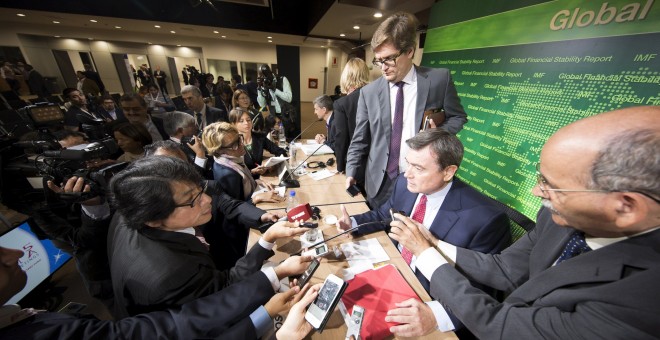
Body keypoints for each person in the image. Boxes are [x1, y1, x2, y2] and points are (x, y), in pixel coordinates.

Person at [386, 105, 660, 338]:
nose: (537, 193)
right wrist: (433, 244)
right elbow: (504, 269)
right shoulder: (557, 216)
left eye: (552, 186)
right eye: (541, 178)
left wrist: (426, 253)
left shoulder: (642, 301)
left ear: (626, 207)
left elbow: (499, 325)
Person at [337, 128, 510, 330]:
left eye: (418, 168)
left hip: (427, 298)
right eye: (408, 163)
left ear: (448, 172)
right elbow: (384, 215)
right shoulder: (404, 183)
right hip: (391, 269)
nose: (407, 173)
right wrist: (354, 223)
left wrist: (437, 317)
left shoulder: (486, 220)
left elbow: (483, 291)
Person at [107, 156, 311, 318]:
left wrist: (268, 235)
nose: (207, 200)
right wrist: (279, 271)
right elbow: (223, 292)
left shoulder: (130, 211)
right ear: (153, 218)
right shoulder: (169, 274)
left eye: (201, 189)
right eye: (192, 200)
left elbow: (222, 200)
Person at [0, 244, 318, 339]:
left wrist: (268, 309)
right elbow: (172, 327)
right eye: (193, 197)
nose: (14, 253)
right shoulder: (167, 271)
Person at [345, 12, 467, 208]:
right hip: (379, 182)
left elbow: (458, 116)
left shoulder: (438, 80)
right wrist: (351, 171)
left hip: (422, 180)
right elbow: (359, 139)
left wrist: (438, 133)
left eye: (388, 59)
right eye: (378, 60)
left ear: (409, 51)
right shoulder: (368, 93)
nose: (383, 67)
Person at [202, 121, 283, 205]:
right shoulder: (227, 174)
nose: (241, 144)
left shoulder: (231, 159)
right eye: (234, 145)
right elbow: (234, 209)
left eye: (239, 138)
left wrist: (256, 182)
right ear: (219, 150)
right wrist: (257, 198)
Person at [332, 57, 370, 173]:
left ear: (346, 76)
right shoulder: (376, 97)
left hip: (354, 163)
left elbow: (341, 138)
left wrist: (340, 166)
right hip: (376, 162)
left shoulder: (342, 103)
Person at [229, 107, 286, 179]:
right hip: (244, 183)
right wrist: (252, 171)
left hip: (262, 179)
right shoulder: (231, 143)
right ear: (233, 124)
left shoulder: (260, 137)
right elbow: (232, 173)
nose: (246, 123)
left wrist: (271, 165)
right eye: (241, 121)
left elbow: (281, 151)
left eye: (248, 120)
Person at [257, 64, 294, 137]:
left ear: (270, 72)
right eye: (262, 76)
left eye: (266, 75)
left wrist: (274, 89)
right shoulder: (263, 85)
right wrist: (259, 88)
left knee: (286, 138)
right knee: (275, 139)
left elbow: (289, 98)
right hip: (274, 117)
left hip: (286, 115)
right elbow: (262, 104)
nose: (265, 78)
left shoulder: (282, 79)